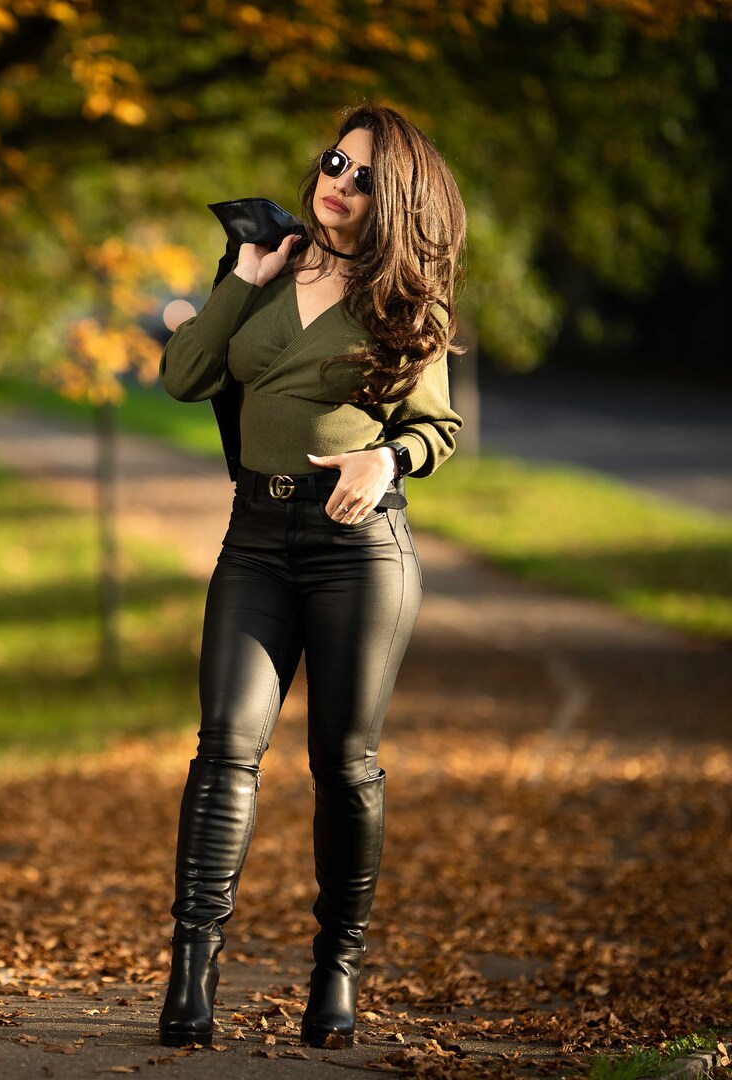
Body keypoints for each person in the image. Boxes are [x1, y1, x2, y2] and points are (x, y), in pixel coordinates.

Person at [155, 103, 466, 1049]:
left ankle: (336, 970)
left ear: (396, 197)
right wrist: (239, 282)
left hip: (357, 553)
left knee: (343, 764)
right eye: (337, 162)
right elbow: (184, 376)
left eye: (366, 175)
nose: (340, 181)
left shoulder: (407, 301)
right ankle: (192, 971)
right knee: (225, 746)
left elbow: (437, 427)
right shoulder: (265, 264)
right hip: (255, 535)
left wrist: (388, 461)